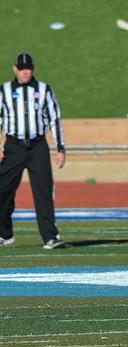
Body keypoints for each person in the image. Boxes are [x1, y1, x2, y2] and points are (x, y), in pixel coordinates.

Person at [0, 53, 65, 249]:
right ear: (14, 69)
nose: (24, 71)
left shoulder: (44, 90)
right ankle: (4, 233)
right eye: (21, 68)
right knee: (2, 190)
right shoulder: (4, 91)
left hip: (38, 146)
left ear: (32, 68)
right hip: (13, 146)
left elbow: (54, 119)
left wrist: (60, 148)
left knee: (43, 190)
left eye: (27, 68)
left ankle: (50, 237)